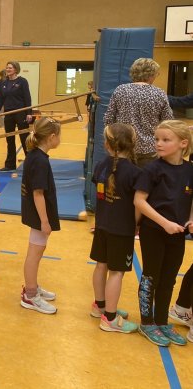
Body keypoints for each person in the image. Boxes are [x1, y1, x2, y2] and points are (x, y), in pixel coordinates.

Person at [134, 120, 193, 347]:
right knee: (151, 277)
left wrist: (190, 219)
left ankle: (161, 320)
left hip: (177, 234)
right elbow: (139, 201)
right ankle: (147, 322)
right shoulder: (152, 169)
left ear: (183, 143)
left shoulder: (189, 170)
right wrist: (164, 222)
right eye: (157, 139)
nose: (158, 143)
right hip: (154, 231)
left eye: (165, 140)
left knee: (169, 278)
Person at [89, 123, 140, 333]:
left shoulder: (101, 165)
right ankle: (109, 318)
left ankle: (100, 306)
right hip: (121, 230)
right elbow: (137, 205)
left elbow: (99, 195)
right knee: (117, 272)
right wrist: (136, 225)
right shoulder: (135, 173)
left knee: (101, 265)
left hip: (102, 225)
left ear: (107, 144)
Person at [19, 117, 61, 314]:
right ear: (51, 137)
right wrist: (44, 221)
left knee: (37, 251)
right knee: (34, 254)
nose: (60, 139)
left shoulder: (36, 155)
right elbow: (38, 193)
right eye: (59, 135)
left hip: (36, 212)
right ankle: (30, 294)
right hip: (38, 214)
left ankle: (32, 286)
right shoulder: (39, 161)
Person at [104, 58, 173, 168]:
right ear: (151, 74)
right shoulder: (159, 93)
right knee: (146, 179)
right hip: (150, 150)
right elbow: (168, 123)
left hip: (123, 147)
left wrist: (112, 143)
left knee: (123, 178)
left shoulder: (120, 90)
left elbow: (108, 119)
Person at [0, 61, 32, 172]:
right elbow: (0, 99)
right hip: (8, 113)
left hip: (21, 112)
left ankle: (30, 163)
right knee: (9, 139)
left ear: (16, 69)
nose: (8, 69)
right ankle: (10, 165)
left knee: (24, 138)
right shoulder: (3, 83)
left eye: (10, 68)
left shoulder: (22, 81)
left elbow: (27, 97)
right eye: (7, 68)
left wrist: (29, 112)